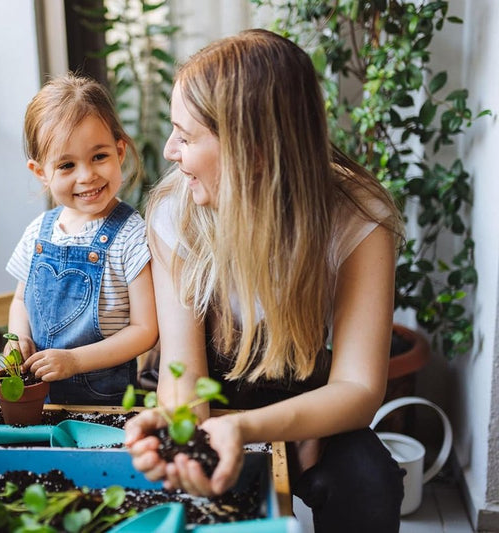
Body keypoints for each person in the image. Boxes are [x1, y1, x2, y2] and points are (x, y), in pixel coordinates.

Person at [124, 29, 406, 532]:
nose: (169, 150)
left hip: (301, 390)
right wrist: (191, 435)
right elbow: (183, 374)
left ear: (251, 150)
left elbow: (359, 387)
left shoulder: (358, 218)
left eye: (186, 137)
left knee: (366, 480)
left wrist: (245, 427)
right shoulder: (174, 213)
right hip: (208, 388)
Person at [5, 73, 158, 405]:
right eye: (67, 165)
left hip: (107, 404)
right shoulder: (38, 233)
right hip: (42, 399)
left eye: (99, 156)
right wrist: (18, 338)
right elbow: (20, 301)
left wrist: (74, 361)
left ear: (120, 151)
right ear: (41, 172)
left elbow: (145, 330)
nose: (87, 175)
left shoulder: (131, 236)